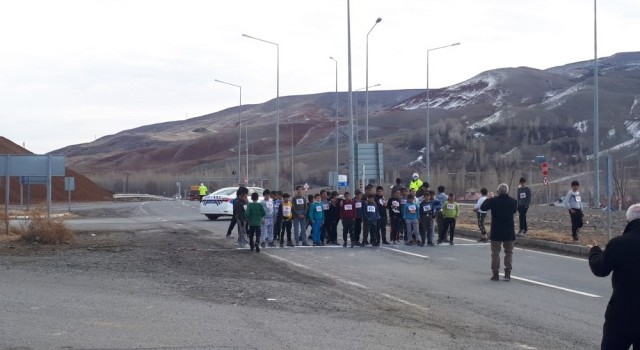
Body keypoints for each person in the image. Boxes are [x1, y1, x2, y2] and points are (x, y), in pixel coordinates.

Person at [588, 203, 640, 349]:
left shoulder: (619, 243)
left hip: (621, 316)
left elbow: (600, 269)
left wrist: (594, 251)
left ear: (628, 221)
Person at [480, 183, 517, 281]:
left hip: (496, 230)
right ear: (508, 191)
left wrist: (489, 198)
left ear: (497, 191)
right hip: (509, 230)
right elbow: (514, 211)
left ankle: (495, 274)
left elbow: (483, 208)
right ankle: (507, 273)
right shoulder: (513, 201)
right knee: (509, 252)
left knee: (495, 253)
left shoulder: (493, 201)